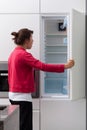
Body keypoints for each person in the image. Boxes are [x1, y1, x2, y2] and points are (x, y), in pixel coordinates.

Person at [8, 28, 74, 130]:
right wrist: (65, 66)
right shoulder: (24, 55)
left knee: (20, 125)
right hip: (22, 98)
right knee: (25, 127)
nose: (33, 41)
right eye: (31, 39)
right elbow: (43, 66)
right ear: (26, 40)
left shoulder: (13, 53)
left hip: (13, 95)